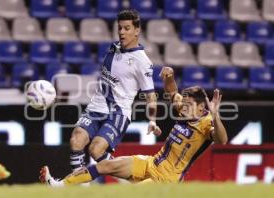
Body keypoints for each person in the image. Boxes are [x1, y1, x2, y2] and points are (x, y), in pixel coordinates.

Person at [39, 66, 228, 186]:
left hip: (165, 180)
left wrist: (216, 115)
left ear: (202, 107)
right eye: (184, 104)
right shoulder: (185, 110)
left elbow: (222, 139)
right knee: (105, 165)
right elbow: (173, 92)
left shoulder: (206, 124)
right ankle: (60, 186)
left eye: (187, 105)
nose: (182, 108)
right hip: (150, 163)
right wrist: (168, 77)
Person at [67, 9, 161, 174]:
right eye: (119, 28)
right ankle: (75, 185)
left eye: (127, 28)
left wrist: (152, 120)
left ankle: (132, 175)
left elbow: (150, 95)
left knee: (95, 150)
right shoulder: (114, 48)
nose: (122, 33)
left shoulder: (142, 61)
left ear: (137, 30)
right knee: (76, 141)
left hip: (118, 113)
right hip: (96, 108)